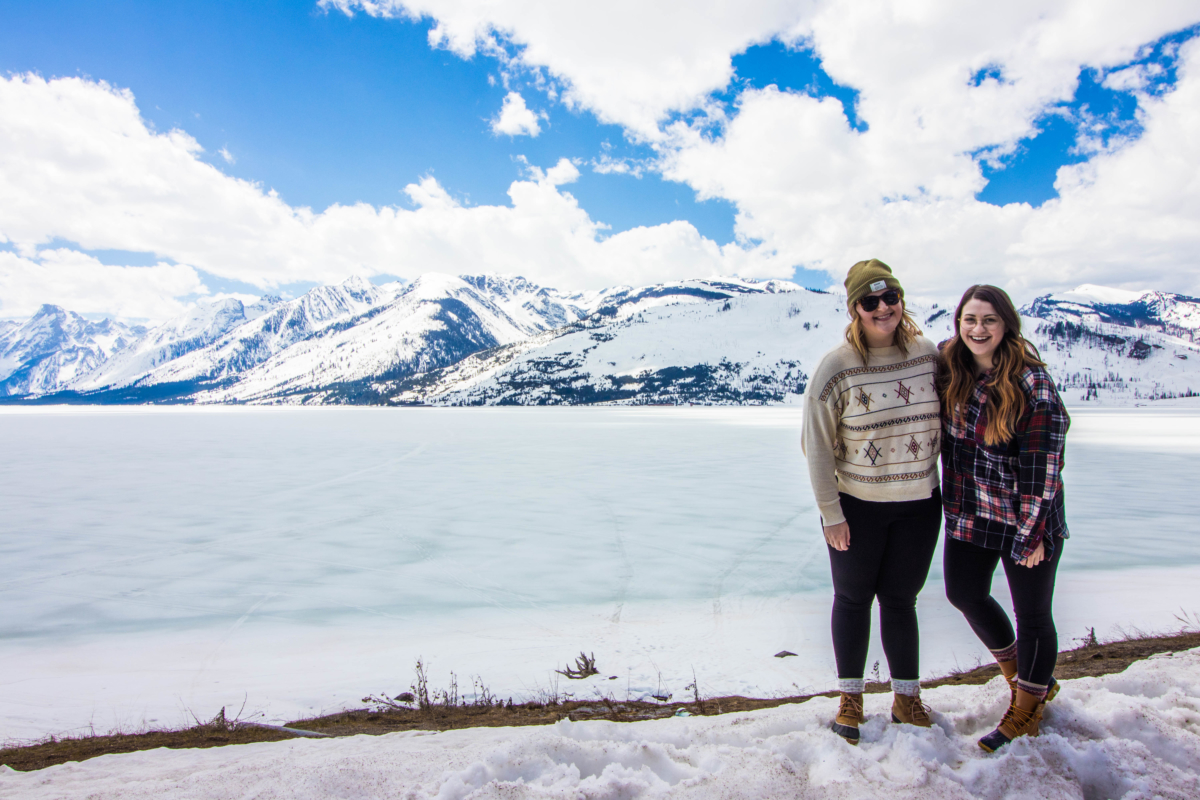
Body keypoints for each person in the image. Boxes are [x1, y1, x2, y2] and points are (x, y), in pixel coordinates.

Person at [802, 259, 943, 745]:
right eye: (871, 301)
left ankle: (906, 698)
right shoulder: (835, 367)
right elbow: (816, 447)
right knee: (853, 599)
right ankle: (851, 698)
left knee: (902, 601)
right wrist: (831, 515)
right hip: (857, 507)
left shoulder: (927, 354)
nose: (883, 308)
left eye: (891, 297)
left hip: (921, 504)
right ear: (855, 309)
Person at [937, 284, 1069, 753]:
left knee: (1033, 616)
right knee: (964, 593)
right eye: (970, 319)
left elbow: (1043, 465)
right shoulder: (950, 367)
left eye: (989, 320)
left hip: (1024, 518)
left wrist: (1033, 532)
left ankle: (1025, 713)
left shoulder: (1032, 383)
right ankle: (1028, 682)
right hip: (971, 512)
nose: (978, 329)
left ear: (1006, 325)